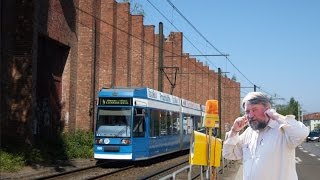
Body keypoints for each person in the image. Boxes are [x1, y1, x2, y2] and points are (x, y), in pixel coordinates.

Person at [222, 92, 309, 180]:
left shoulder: (282, 130)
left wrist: (276, 116)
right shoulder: (249, 133)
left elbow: (302, 133)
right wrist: (234, 131)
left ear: (267, 109)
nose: (250, 115)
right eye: (247, 111)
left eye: (254, 109)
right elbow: (228, 154)